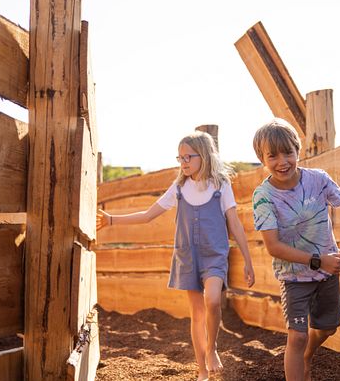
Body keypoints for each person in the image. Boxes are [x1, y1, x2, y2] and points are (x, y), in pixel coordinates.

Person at [97, 131, 255, 381]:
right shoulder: (180, 187)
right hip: (187, 258)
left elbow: (234, 223)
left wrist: (248, 260)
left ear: (203, 155)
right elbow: (149, 215)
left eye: (187, 157)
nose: (182, 162)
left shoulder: (220, 185)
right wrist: (112, 220)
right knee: (197, 314)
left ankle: (212, 348)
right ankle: (202, 370)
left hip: (214, 255)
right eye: (179, 157)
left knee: (213, 300)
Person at [251, 118, 340, 381]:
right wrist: (318, 261)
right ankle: (300, 361)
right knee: (297, 336)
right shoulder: (264, 196)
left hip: (327, 273)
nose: (283, 161)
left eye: (288, 152)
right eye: (273, 156)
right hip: (294, 277)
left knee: (327, 328)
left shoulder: (317, 179)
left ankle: (307, 356)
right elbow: (273, 247)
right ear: (262, 158)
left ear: (297, 151)